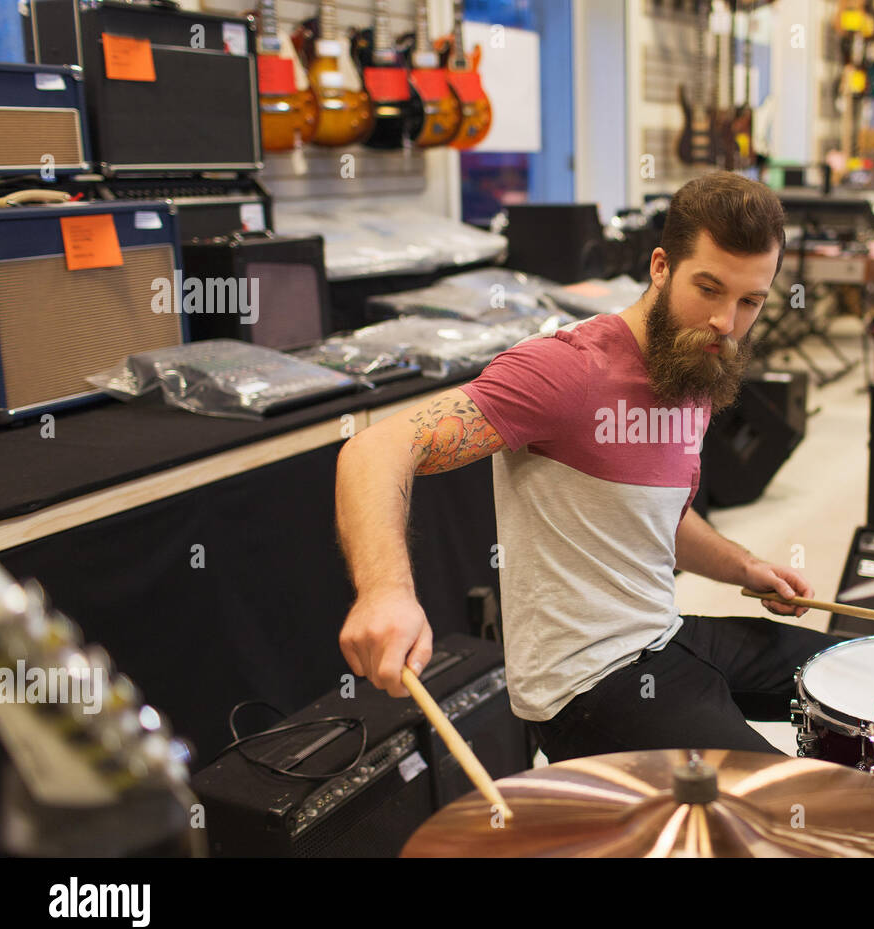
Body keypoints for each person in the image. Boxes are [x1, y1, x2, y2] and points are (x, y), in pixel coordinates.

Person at [335, 170, 828, 763]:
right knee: (780, 806)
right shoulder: (564, 370)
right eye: (709, 288)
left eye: (750, 301)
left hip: (661, 635)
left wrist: (744, 566)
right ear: (660, 266)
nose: (726, 322)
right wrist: (386, 593)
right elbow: (376, 449)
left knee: (872, 674)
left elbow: (655, 517)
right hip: (587, 683)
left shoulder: (694, 360)